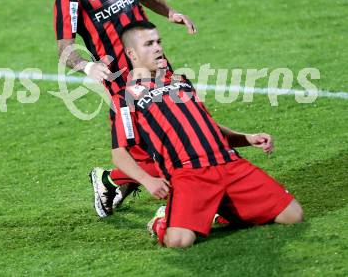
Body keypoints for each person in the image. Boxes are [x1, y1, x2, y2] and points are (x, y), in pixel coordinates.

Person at [53, 0, 196, 218]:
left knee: (177, 130)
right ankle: (186, 202)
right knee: (156, 141)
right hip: (122, 83)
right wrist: (88, 66)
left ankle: (112, 182)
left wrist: (170, 12)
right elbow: (65, 47)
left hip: (158, 68)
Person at [110, 21, 304, 248]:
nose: (158, 48)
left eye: (159, 42)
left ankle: (218, 209)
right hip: (190, 174)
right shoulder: (124, 98)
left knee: (293, 215)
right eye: (149, 44)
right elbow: (119, 153)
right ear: (132, 53)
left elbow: (207, 126)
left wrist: (246, 138)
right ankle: (161, 221)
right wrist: (147, 180)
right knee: (179, 241)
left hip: (229, 163)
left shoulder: (179, 80)